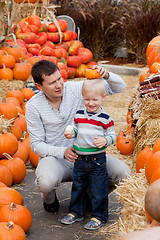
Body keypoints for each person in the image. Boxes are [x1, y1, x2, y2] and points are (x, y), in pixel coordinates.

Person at [25, 60, 131, 214]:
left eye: (59, 78)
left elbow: (119, 87)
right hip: (56, 158)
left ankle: (90, 197)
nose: (59, 85)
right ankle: (49, 200)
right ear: (39, 87)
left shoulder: (76, 89)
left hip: (89, 155)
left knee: (123, 173)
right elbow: (36, 144)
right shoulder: (33, 106)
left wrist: (106, 74)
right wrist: (62, 151)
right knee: (46, 182)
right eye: (52, 82)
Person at [61, 79, 116, 230]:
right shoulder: (79, 114)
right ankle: (76, 212)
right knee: (78, 186)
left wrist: (105, 140)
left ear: (103, 97)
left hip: (97, 160)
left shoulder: (105, 118)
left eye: (95, 100)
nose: (91, 103)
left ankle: (99, 216)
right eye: (87, 99)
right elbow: (78, 130)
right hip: (80, 159)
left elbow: (113, 136)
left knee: (99, 188)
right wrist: (72, 132)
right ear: (83, 98)